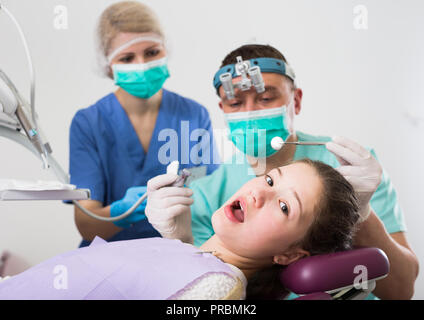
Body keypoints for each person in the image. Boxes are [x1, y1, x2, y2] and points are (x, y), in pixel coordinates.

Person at [147, 44, 419, 299]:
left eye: (265, 97)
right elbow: (208, 293)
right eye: (235, 103)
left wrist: (362, 214)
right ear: (223, 110)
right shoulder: (206, 197)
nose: (250, 112)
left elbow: (402, 290)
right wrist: (179, 243)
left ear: (296, 101)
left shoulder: (355, 171)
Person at [0, 160, 360, 300]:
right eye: (269, 178)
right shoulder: (197, 262)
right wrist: (181, 242)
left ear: (291, 255)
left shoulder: (218, 289)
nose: (260, 191)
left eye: (284, 206)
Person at [67, 1, 220, 247]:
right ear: (108, 67)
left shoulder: (194, 115)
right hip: (109, 259)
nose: (142, 64)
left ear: (165, 49)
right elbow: (87, 225)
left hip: (179, 253)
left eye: (151, 52)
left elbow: (211, 201)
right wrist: (127, 210)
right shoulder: (89, 123)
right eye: (127, 58)